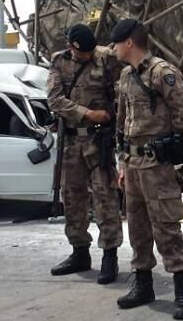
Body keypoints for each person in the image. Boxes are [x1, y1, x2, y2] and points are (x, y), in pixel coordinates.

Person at [110, 18, 183, 320]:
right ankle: (143, 284)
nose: (114, 48)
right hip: (133, 164)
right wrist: (122, 160)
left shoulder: (162, 73)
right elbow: (122, 121)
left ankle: (181, 290)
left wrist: (169, 145)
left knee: (166, 225)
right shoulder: (125, 75)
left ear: (129, 43)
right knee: (137, 226)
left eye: (117, 43)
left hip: (156, 164)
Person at [46, 23, 124, 284]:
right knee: (73, 199)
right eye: (82, 55)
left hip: (98, 141)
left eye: (89, 53)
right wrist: (88, 113)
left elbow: (125, 90)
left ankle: (109, 256)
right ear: (71, 48)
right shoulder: (59, 61)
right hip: (70, 144)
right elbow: (54, 99)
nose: (87, 58)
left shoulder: (107, 58)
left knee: (105, 199)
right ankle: (79, 252)